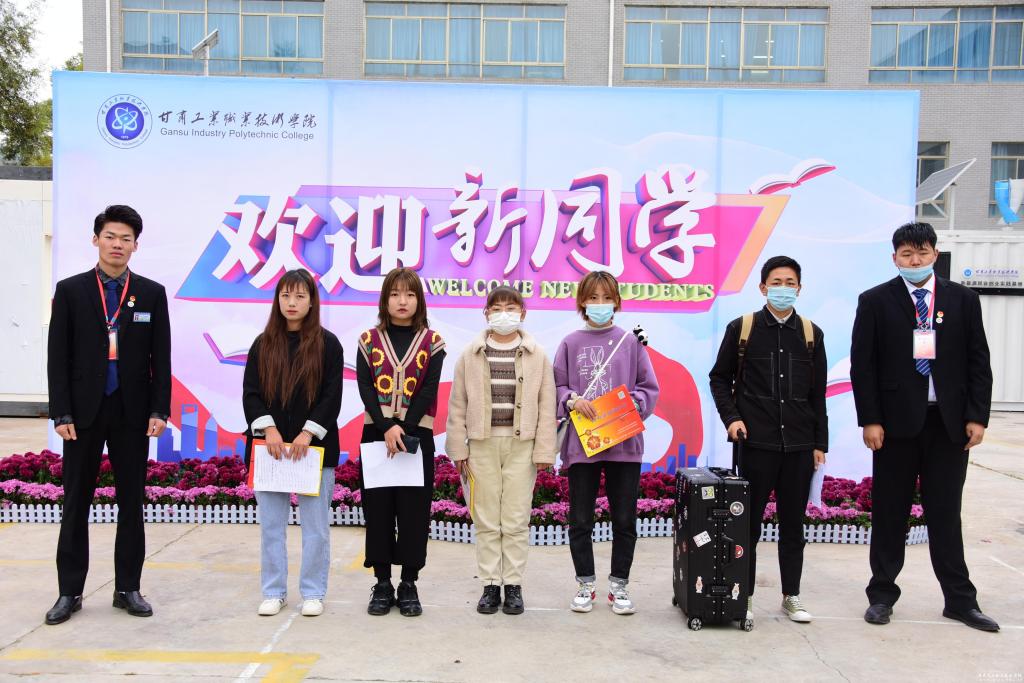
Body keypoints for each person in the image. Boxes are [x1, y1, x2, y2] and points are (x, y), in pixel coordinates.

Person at [851, 222, 998, 632]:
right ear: (894, 258)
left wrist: (977, 416)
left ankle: (960, 601)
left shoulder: (963, 299)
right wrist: (870, 419)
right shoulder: (875, 301)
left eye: (921, 252)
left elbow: (978, 361)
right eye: (906, 254)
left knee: (946, 513)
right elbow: (864, 366)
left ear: (934, 253)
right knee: (890, 513)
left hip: (948, 425)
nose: (914, 260)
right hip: (895, 426)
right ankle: (882, 595)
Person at [45, 205, 171, 625]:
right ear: (96, 239)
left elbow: (161, 358)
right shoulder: (71, 290)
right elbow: (57, 357)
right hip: (82, 413)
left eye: (126, 239)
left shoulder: (150, 293)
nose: (118, 245)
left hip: (132, 411)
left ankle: (127, 588)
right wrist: (61, 411)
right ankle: (69, 592)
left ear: (136, 245)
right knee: (75, 502)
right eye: (111, 236)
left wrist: (159, 408)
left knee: (131, 502)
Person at [708, 255, 828, 624]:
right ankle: (742, 596)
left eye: (790, 283)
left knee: (793, 527)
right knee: (747, 526)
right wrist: (733, 419)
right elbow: (719, 379)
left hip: (799, 447)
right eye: (776, 282)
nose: (783, 289)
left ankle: (791, 596)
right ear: (763, 288)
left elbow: (818, 395)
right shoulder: (742, 328)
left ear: (799, 289)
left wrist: (819, 444)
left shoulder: (811, 334)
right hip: (755, 445)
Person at [446, 286, 557, 615]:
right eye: (496, 308)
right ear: (486, 313)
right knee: (486, 518)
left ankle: (514, 585)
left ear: (523, 313)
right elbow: (457, 404)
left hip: (522, 446)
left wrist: (544, 451)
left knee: (516, 518)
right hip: (481, 445)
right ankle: (490, 584)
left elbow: (547, 404)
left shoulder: (537, 355)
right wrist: (458, 447)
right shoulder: (470, 354)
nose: (503, 314)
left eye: (511, 307)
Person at [554, 271, 659, 615]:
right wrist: (571, 400)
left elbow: (648, 387)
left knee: (624, 519)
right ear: (582, 302)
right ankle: (585, 583)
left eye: (607, 297)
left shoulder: (629, 342)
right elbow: (556, 386)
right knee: (580, 519)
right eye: (593, 298)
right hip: (582, 445)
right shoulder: (570, 343)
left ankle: (619, 586)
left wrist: (629, 406)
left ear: (617, 301)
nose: (600, 304)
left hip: (624, 444)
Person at [242, 269, 343, 618]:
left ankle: (313, 592)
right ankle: (274, 592)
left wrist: (308, 433)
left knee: (315, 529)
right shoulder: (263, 343)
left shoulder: (328, 344)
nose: (292, 303)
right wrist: (268, 429)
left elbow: (332, 396)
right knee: (272, 527)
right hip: (270, 451)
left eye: (300, 296)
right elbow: (251, 393)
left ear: (311, 301)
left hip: (313, 451)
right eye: (286, 295)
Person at [357, 267, 445, 617]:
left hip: (416, 435)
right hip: (375, 434)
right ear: (385, 300)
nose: (402, 301)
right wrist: (386, 427)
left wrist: (402, 428)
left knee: (413, 512)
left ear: (419, 300)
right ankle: (382, 583)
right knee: (378, 510)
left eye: (409, 294)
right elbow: (365, 387)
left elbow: (429, 389)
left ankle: (409, 583)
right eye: (394, 294)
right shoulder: (368, 340)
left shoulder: (433, 342)